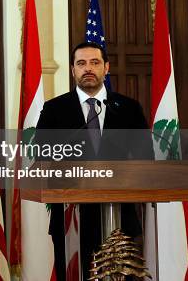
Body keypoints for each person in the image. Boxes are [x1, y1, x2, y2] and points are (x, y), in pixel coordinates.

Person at [35, 41, 152, 280]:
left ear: (106, 67)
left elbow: (145, 158)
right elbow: (42, 156)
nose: (88, 68)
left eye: (95, 62)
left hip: (121, 219)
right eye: (81, 63)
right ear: (73, 70)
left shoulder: (128, 108)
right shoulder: (54, 109)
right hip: (71, 220)